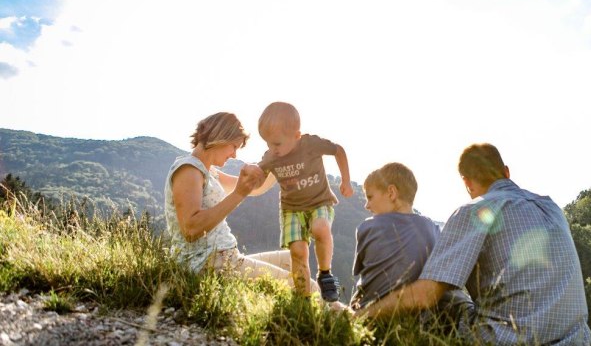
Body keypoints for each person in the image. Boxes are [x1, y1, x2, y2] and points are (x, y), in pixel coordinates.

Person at [356, 143, 591, 345]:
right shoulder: (552, 208)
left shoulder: (475, 211)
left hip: (503, 340)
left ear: (467, 182)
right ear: (506, 172)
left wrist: (359, 316)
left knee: (445, 292)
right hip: (576, 339)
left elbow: (425, 296)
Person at [164, 112, 318, 291]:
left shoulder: (209, 172)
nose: (235, 154)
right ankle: (339, 316)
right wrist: (238, 194)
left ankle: (335, 314)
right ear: (221, 137)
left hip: (225, 256)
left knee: (293, 258)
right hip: (208, 262)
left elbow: (255, 188)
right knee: (309, 287)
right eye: (234, 146)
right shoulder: (189, 170)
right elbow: (190, 229)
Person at [257, 102, 354, 302]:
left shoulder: (310, 144)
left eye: (277, 143)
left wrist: (345, 180)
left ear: (296, 136)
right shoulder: (271, 157)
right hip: (291, 209)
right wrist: (250, 174)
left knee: (320, 228)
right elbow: (259, 174)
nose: (272, 149)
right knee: (298, 251)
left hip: (319, 201)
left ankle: (325, 274)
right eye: (268, 144)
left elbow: (339, 150)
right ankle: (303, 299)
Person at [350, 162, 439, 309]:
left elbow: (360, 276)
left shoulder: (367, 227)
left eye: (370, 197)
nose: (367, 205)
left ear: (391, 192)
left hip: (366, 315)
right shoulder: (434, 230)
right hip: (417, 318)